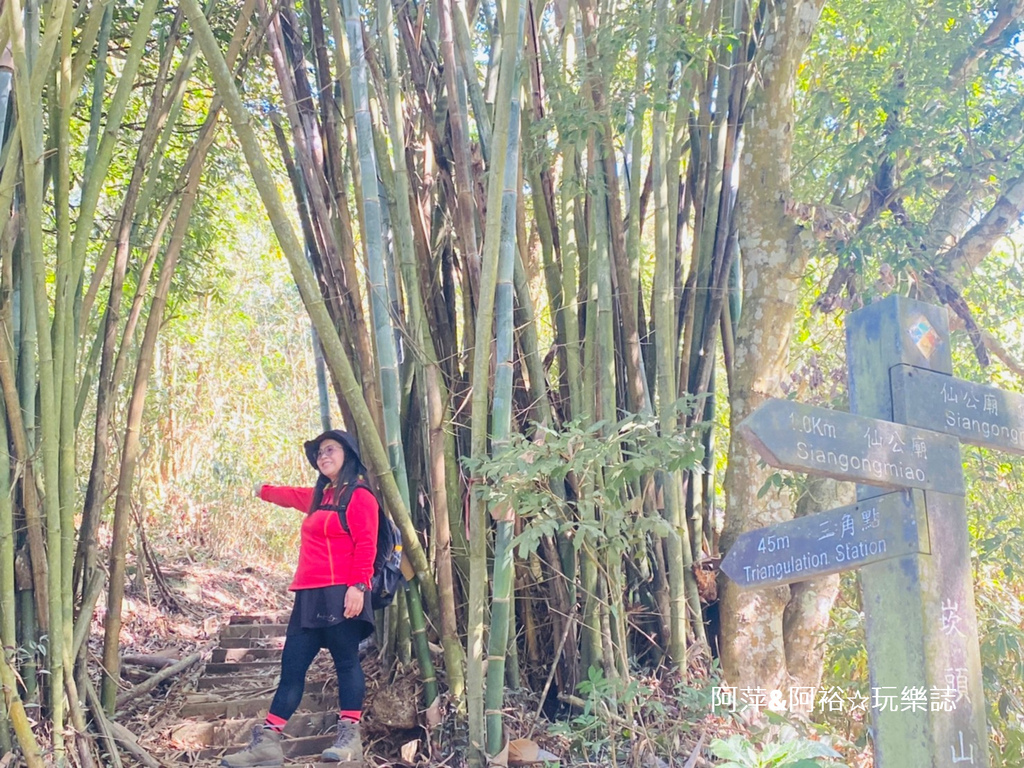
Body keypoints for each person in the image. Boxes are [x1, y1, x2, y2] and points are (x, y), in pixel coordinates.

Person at [223, 429, 379, 767]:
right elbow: (289, 494)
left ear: (347, 454)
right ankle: (267, 744)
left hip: (342, 591)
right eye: (319, 453)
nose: (323, 456)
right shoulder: (319, 497)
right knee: (292, 668)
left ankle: (350, 739)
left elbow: (367, 543)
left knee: (346, 662)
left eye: (330, 449)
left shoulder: (360, 496)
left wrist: (359, 586)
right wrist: (260, 490)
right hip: (308, 595)